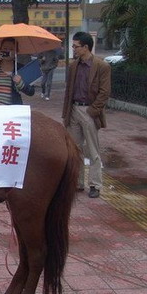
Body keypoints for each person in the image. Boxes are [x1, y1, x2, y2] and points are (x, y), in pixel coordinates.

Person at [61, 31, 111, 199]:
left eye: (76, 46)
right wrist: (66, 113)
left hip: (89, 110)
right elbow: (69, 91)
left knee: (92, 150)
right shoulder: (74, 65)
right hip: (74, 109)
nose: (73, 49)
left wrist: (93, 110)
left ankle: (95, 184)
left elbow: (104, 92)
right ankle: (77, 182)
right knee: (74, 150)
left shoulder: (101, 66)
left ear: (86, 47)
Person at [0, 38, 35, 105]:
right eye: (5, 49)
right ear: (0, 49)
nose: (7, 51)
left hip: (10, 111)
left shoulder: (20, 68)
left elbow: (31, 91)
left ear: (16, 51)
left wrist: (20, 84)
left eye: (11, 49)